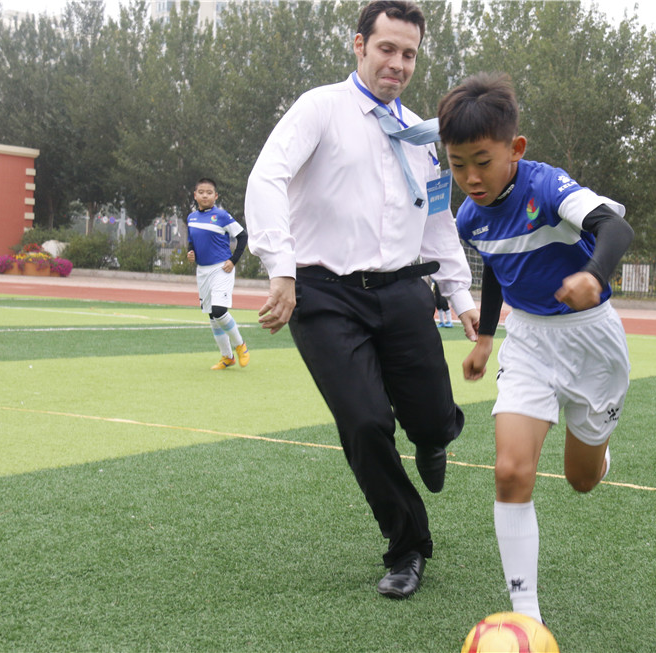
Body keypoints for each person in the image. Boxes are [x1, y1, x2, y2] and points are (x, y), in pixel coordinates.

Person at [244, 0, 477, 600]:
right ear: (359, 45)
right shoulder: (320, 108)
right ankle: (407, 546)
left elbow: (437, 219)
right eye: (386, 49)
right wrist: (281, 269)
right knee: (366, 423)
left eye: (409, 54)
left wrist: (460, 293)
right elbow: (267, 177)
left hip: (402, 291)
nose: (397, 63)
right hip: (324, 295)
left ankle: (435, 436)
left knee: (432, 415)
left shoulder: (422, 135)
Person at [438, 72, 633, 624]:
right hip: (528, 343)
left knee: (581, 480)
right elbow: (499, 271)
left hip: (593, 340)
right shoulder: (469, 218)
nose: (471, 178)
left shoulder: (548, 187)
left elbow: (615, 228)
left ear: (515, 149)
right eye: (457, 165)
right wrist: (484, 339)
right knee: (510, 471)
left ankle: (596, 450)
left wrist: (593, 275)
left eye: (482, 161)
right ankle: (527, 617)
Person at [186, 177, 250, 370]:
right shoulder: (191, 218)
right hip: (202, 271)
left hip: (222, 268)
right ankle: (227, 357)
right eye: (201, 192)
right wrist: (190, 253)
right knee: (212, 317)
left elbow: (242, 236)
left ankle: (240, 345)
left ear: (216, 196)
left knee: (219, 311)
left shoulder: (221, 216)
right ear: (195, 195)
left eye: (209, 192)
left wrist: (233, 260)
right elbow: (192, 242)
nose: (205, 195)